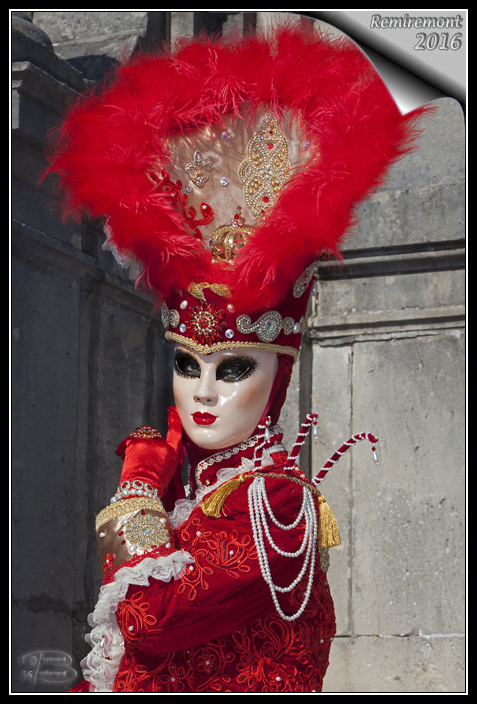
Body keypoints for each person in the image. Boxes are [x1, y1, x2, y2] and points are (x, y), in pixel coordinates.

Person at [44, 20, 428, 692]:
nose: (203, 392)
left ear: (277, 377)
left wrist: (137, 489)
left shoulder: (274, 505)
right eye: (187, 366)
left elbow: (149, 616)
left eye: (233, 369)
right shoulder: (195, 494)